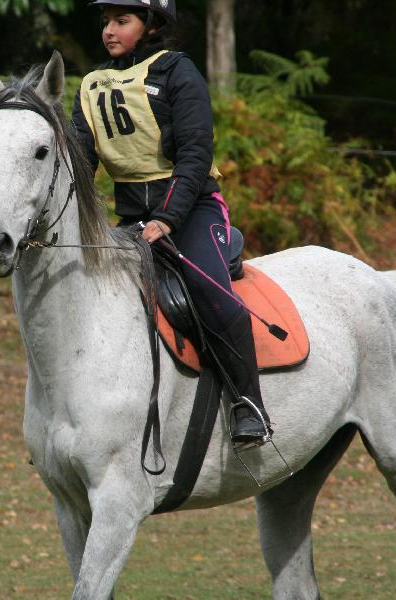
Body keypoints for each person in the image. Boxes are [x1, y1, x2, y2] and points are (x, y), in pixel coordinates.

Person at [72, 0, 271, 446]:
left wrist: (167, 218)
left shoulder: (178, 72)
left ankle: (248, 404)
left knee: (209, 294)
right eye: (106, 22)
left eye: (121, 21)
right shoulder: (91, 85)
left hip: (191, 212)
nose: (109, 30)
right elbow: (82, 163)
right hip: (131, 221)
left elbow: (196, 155)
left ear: (152, 24)